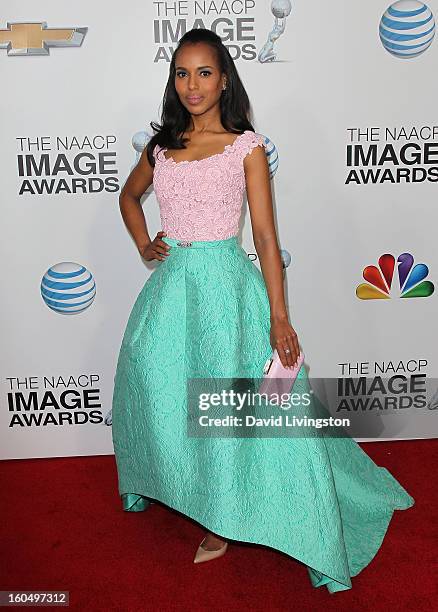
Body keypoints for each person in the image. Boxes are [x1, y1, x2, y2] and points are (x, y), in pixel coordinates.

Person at [111, 28, 414, 592]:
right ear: (172, 80)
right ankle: (166, 481)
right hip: (171, 292)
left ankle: (223, 517)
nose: (192, 84)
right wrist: (143, 242)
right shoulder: (161, 146)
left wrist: (279, 317)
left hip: (227, 294)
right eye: (182, 72)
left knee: (225, 405)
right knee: (154, 383)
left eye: (204, 72)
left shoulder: (246, 146)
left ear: (224, 78)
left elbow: (268, 239)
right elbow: (128, 197)